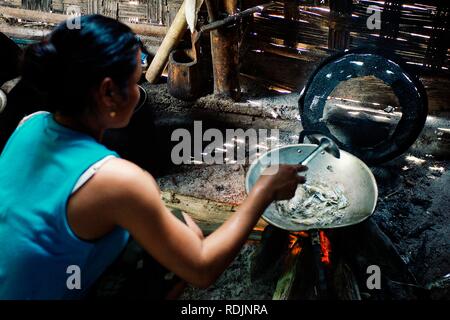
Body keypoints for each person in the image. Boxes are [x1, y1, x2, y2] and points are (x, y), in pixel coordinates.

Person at [0, 15, 307, 299]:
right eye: (135, 82)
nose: (139, 91)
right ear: (108, 92)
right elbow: (202, 269)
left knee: (171, 222)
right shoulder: (117, 180)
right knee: (179, 257)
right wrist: (263, 192)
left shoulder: (31, 124)